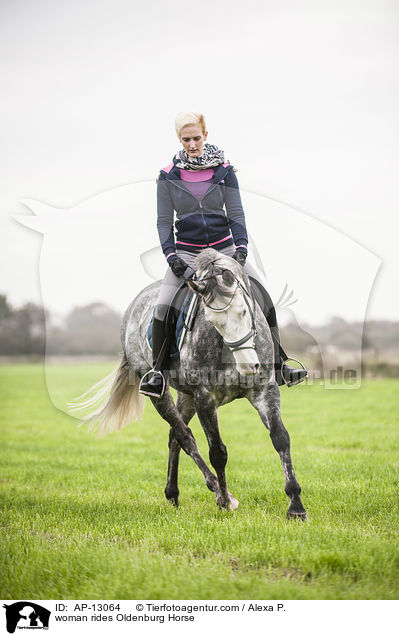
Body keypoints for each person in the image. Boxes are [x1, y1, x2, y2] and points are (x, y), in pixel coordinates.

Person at [139, 112, 307, 397]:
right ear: (179, 139)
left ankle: (280, 363)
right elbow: (164, 222)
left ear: (205, 135)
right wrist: (171, 257)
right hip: (187, 253)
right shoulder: (167, 176)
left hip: (225, 247)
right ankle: (158, 373)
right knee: (164, 307)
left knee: (263, 294)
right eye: (186, 139)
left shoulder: (225, 171)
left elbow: (236, 212)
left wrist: (241, 248)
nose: (192, 144)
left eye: (196, 138)